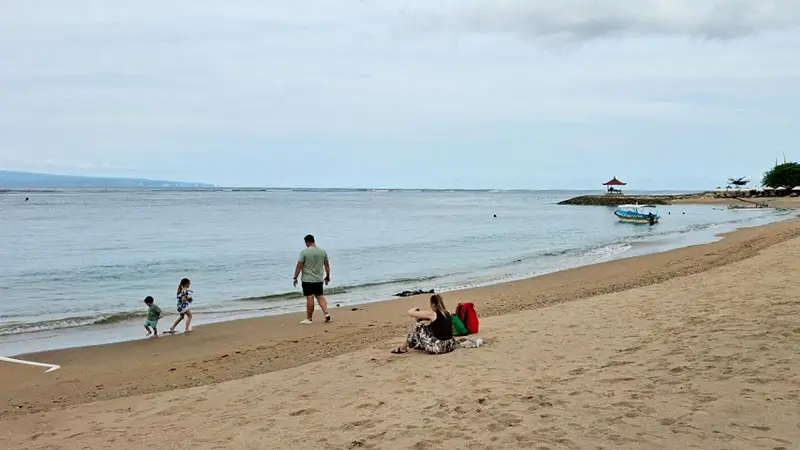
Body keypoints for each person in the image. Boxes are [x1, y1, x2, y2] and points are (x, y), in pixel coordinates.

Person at [391, 294, 458, 355]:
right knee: (426, 325)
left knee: (418, 326)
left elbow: (410, 313)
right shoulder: (447, 313)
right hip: (450, 345)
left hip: (440, 348)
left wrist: (415, 308)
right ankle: (416, 344)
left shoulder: (432, 314)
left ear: (433, 305)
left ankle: (403, 348)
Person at [293, 234, 331, 324]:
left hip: (307, 279)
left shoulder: (304, 252)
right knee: (320, 296)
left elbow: (299, 266)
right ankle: (326, 313)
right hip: (319, 279)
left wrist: (295, 277)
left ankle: (309, 318)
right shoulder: (323, 252)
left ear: (307, 242)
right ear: (314, 241)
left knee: (310, 297)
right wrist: (328, 276)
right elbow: (327, 265)